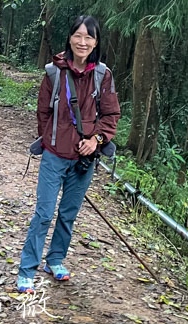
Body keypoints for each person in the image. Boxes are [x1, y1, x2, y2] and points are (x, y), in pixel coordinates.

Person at [16, 15, 121, 293]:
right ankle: (27, 270)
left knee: (68, 214)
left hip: (84, 160)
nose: (82, 42)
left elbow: (111, 114)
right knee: (43, 214)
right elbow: (43, 112)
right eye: (78, 35)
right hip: (54, 156)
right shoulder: (54, 72)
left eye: (88, 37)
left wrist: (96, 140)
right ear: (70, 38)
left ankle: (55, 260)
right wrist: (52, 139)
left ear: (96, 42)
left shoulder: (103, 75)